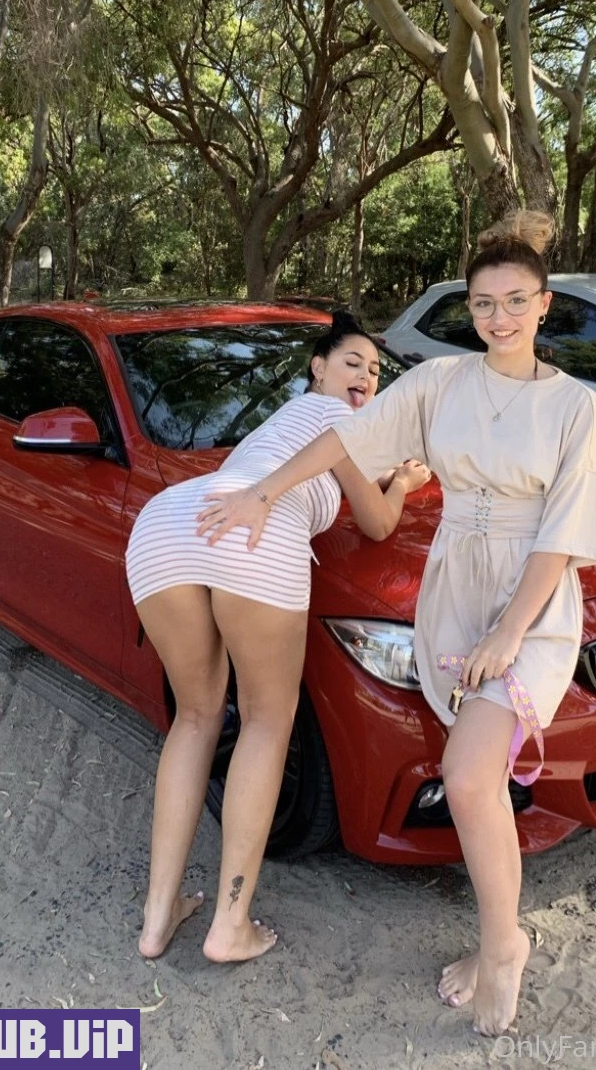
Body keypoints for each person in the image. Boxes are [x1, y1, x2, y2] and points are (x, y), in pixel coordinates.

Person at [196, 212, 596, 1035]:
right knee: (480, 781)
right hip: (455, 591)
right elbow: (345, 438)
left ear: (545, 305)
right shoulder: (441, 382)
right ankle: (495, 937)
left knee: (468, 775)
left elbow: (563, 538)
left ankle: (504, 949)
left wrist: (507, 633)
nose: (498, 317)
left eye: (515, 301)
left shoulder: (576, 407)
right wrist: (262, 492)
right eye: (483, 303)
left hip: (530, 605)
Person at [125, 311, 431, 965]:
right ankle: (229, 924)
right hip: (250, 533)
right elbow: (377, 522)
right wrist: (403, 483)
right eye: (352, 362)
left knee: (195, 718)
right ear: (317, 368)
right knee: (266, 722)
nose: (366, 377)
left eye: (375, 371)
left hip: (168, 523)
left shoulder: (279, 421)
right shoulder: (342, 420)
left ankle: (156, 919)